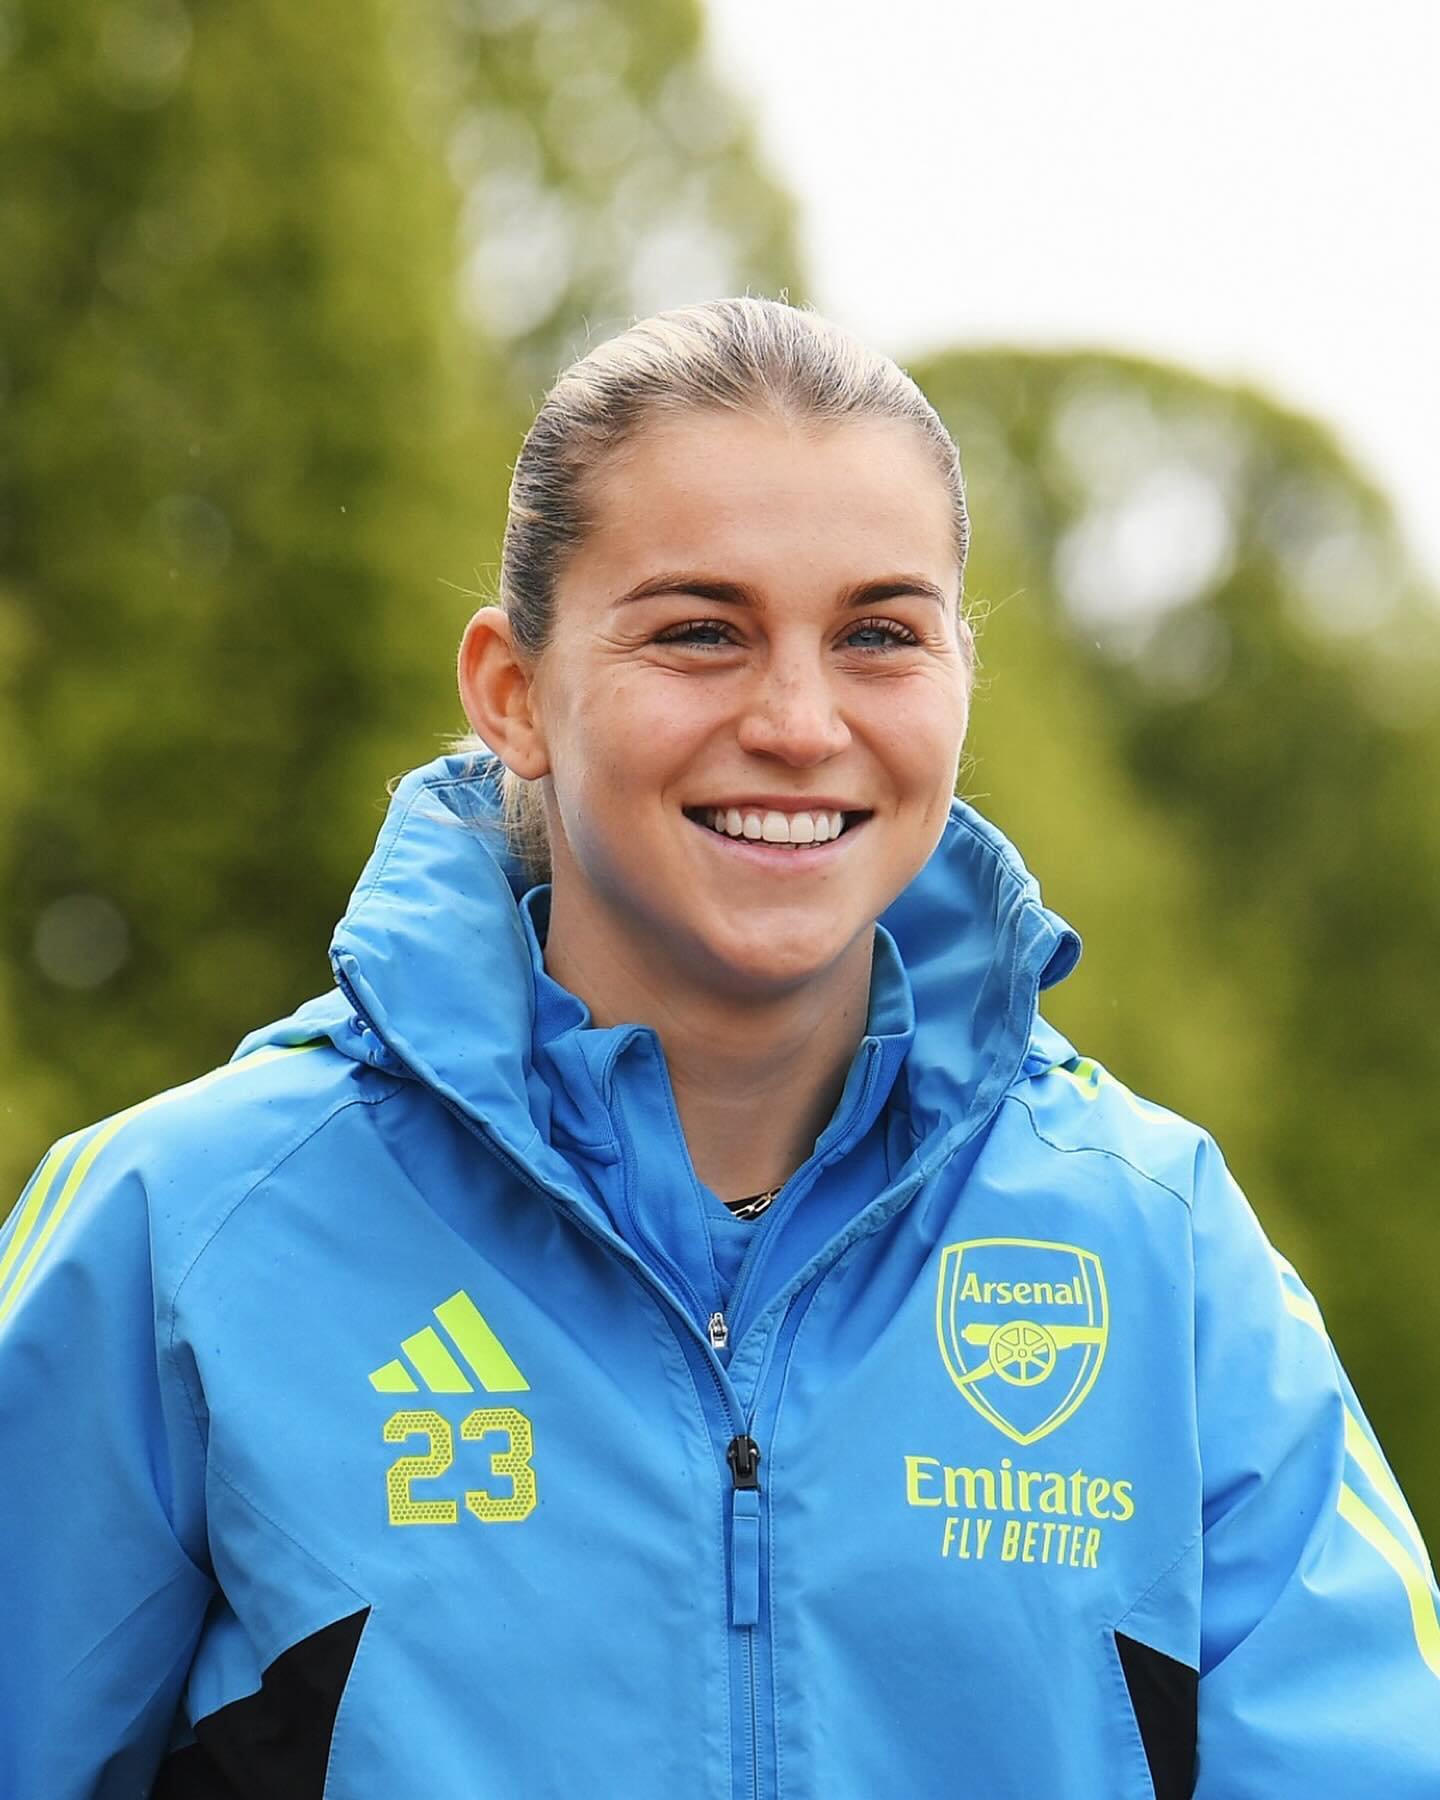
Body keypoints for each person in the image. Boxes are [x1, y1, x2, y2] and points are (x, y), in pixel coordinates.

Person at [0, 296, 1436, 1799]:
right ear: (511, 694)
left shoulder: (1162, 1246)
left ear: (959, 684)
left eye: (881, 634)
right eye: (701, 631)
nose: (802, 720)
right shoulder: (186, 1228)